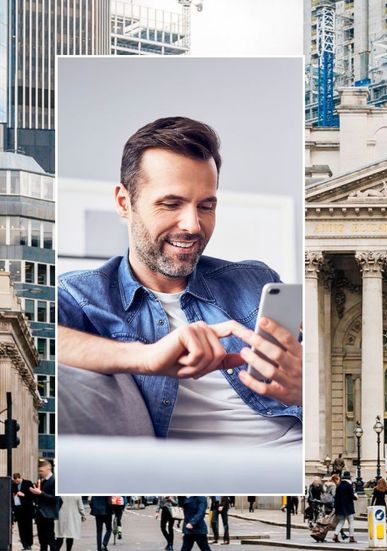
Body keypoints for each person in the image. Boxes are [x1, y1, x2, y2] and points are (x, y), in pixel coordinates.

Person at [57, 117, 303, 445]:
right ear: (123, 203)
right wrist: (145, 357)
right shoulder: (80, 294)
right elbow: (39, 336)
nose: (193, 225)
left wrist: (304, 388)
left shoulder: (255, 280)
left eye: (206, 206)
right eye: (171, 204)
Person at [30, 460, 60, 551]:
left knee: (50, 539)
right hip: (40, 514)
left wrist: (40, 493)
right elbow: (39, 497)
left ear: (48, 469)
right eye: (39, 471)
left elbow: (55, 498)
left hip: (48, 514)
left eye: (41, 471)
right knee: (42, 540)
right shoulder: (41, 481)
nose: (40, 473)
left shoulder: (55, 480)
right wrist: (35, 493)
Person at [11, 472, 35, 551]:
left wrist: (23, 495)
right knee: (21, 529)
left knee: (28, 528)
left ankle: (29, 544)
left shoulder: (28, 483)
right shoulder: (14, 485)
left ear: (20, 478)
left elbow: (33, 496)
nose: (16, 482)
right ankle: (24, 545)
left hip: (27, 510)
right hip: (19, 510)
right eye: (15, 481)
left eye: (17, 480)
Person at [333, 472, 358, 543]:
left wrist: (335, 507)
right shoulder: (349, 485)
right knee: (351, 522)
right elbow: (351, 496)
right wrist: (355, 497)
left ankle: (335, 535)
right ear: (349, 478)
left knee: (341, 521)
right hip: (348, 507)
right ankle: (351, 537)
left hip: (340, 507)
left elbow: (336, 497)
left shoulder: (339, 485)